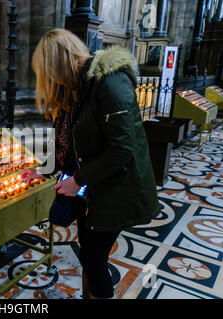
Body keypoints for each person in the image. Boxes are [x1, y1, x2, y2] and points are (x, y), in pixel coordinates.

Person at [22, 29, 159, 299]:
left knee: (94, 258)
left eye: (49, 73)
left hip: (118, 190)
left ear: (60, 64)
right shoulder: (77, 89)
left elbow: (121, 149)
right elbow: (69, 141)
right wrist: (44, 170)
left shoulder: (109, 83)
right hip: (96, 189)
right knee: (89, 252)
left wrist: (77, 181)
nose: (50, 81)